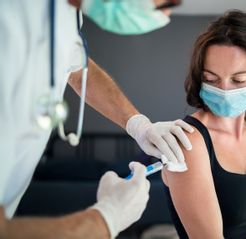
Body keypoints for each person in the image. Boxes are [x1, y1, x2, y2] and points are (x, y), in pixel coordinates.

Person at [0, 0, 193, 238]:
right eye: (166, 2)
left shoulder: (66, 14)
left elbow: (78, 70)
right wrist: (105, 220)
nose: (165, 14)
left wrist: (139, 125)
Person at [162, 10, 246, 238]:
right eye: (211, 79)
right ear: (199, 78)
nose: (224, 90)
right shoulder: (190, 142)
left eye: (238, 80)